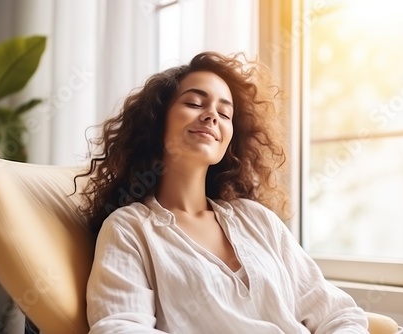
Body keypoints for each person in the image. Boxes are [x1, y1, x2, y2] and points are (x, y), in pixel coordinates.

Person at [78, 51, 369, 333]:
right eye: (194, 103)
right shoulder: (130, 228)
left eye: (225, 113)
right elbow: (119, 328)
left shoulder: (257, 220)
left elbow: (338, 313)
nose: (211, 116)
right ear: (157, 119)